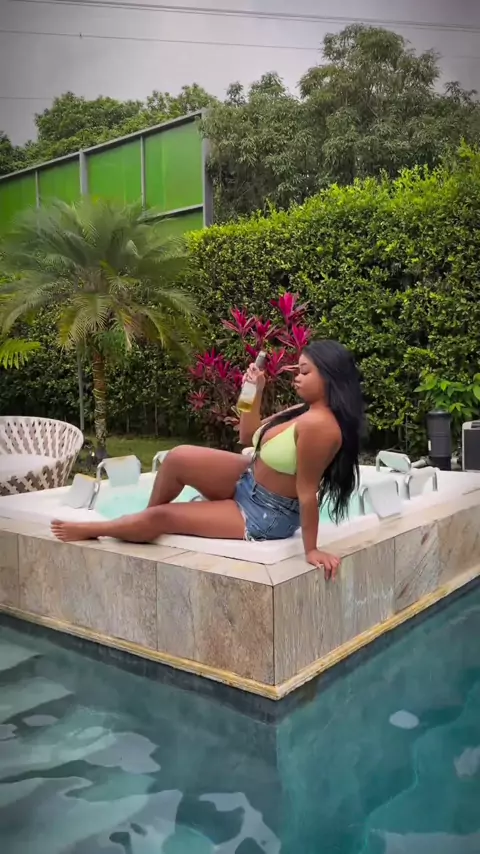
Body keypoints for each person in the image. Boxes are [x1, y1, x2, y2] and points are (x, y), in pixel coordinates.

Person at [51, 340, 364, 580]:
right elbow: (248, 436)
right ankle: (140, 524)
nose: (297, 377)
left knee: (164, 516)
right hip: (248, 480)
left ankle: (108, 528)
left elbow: (307, 492)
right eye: (298, 371)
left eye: (305, 372)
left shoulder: (320, 428)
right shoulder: (302, 412)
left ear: (331, 378)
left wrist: (311, 549)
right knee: (178, 458)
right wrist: (254, 391)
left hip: (265, 513)